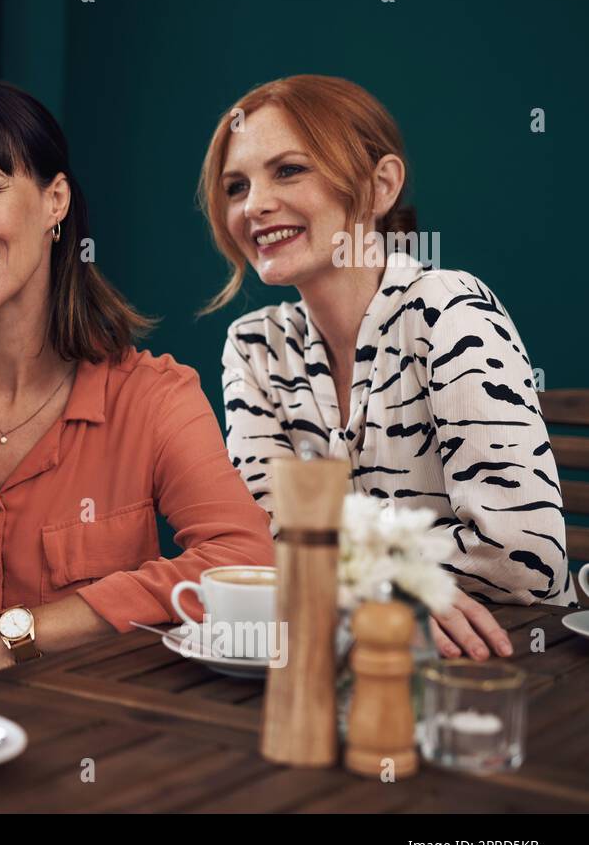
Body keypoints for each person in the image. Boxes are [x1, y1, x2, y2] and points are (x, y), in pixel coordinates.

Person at [0, 80, 275, 676]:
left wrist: (30, 628)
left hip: (100, 750)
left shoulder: (154, 399)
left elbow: (247, 559)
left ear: (54, 201)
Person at [200, 74, 574, 661]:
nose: (254, 205)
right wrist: (384, 583)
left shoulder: (447, 308)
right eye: (235, 186)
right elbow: (261, 546)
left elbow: (523, 562)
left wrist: (342, 568)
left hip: (501, 668)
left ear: (380, 186)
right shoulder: (255, 346)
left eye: (289, 169)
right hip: (346, 660)